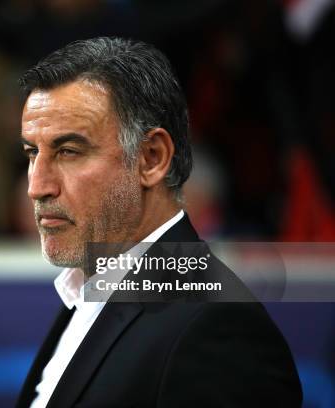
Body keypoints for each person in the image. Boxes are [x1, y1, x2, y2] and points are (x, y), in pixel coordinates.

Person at [16, 37, 301, 407]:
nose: (36, 187)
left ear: (152, 158)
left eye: (68, 152)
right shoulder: (88, 293)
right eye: (32, 153)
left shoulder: (216, 329)